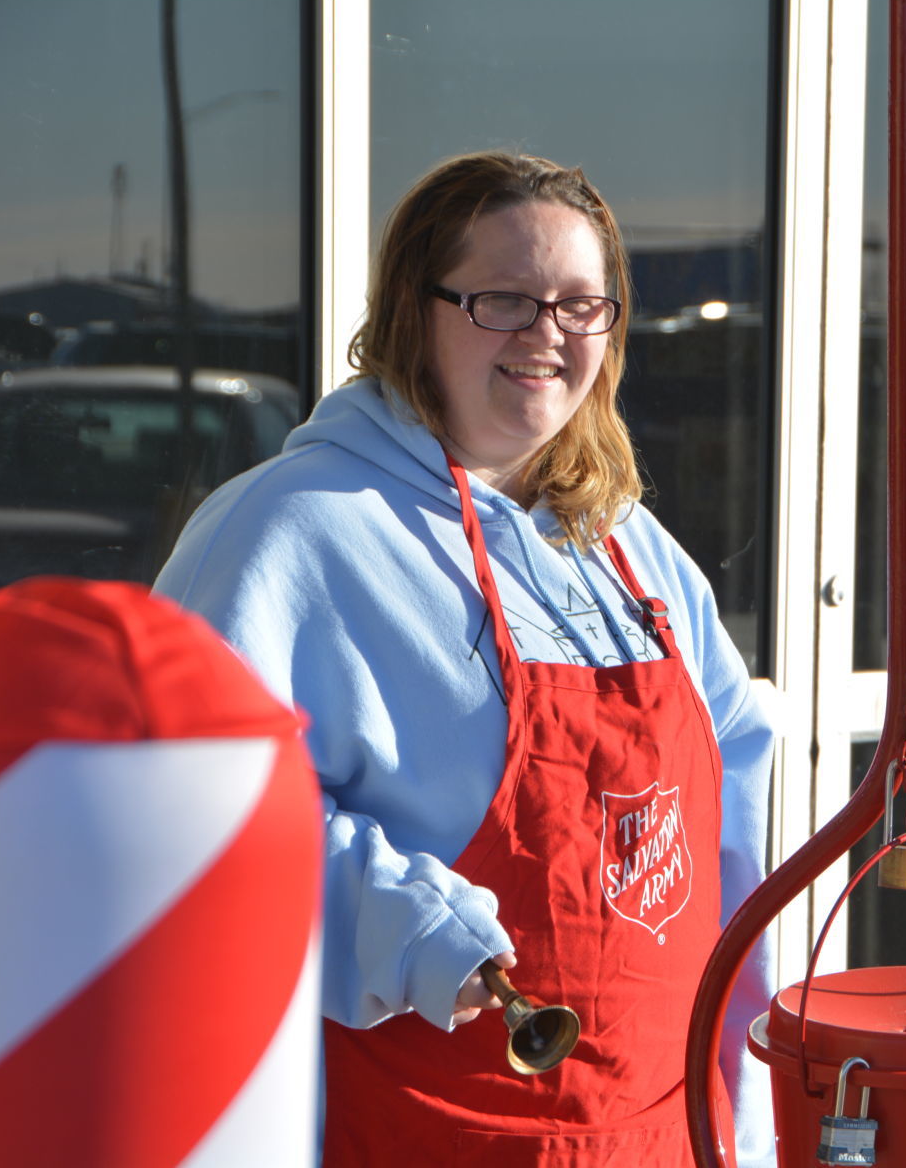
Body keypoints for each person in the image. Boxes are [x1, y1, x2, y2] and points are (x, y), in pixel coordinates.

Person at [153, 151, 778, 1167]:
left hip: (652, 1138)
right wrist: (402, 918)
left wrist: (750, 1127)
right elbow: (182, 809)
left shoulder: (637, 556)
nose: (546, 335)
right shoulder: (291, 533)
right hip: (419, 1130)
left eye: (582, 305)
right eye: (504, 299)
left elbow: (736, 866)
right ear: (415, 308)